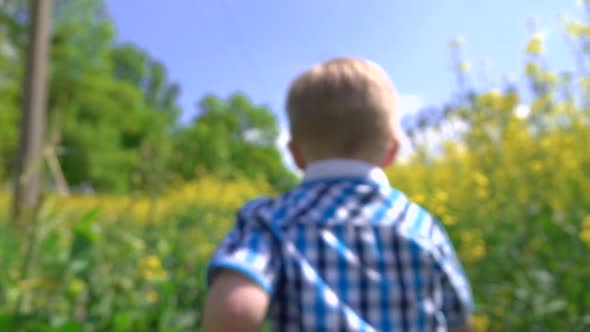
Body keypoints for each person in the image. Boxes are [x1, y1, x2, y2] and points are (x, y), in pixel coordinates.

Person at [201, 58, 474, 332]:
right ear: (392, 151)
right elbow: (459, 321)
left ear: (296, 155)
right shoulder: (421, 226)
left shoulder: (271, 221)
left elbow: (236, 310)